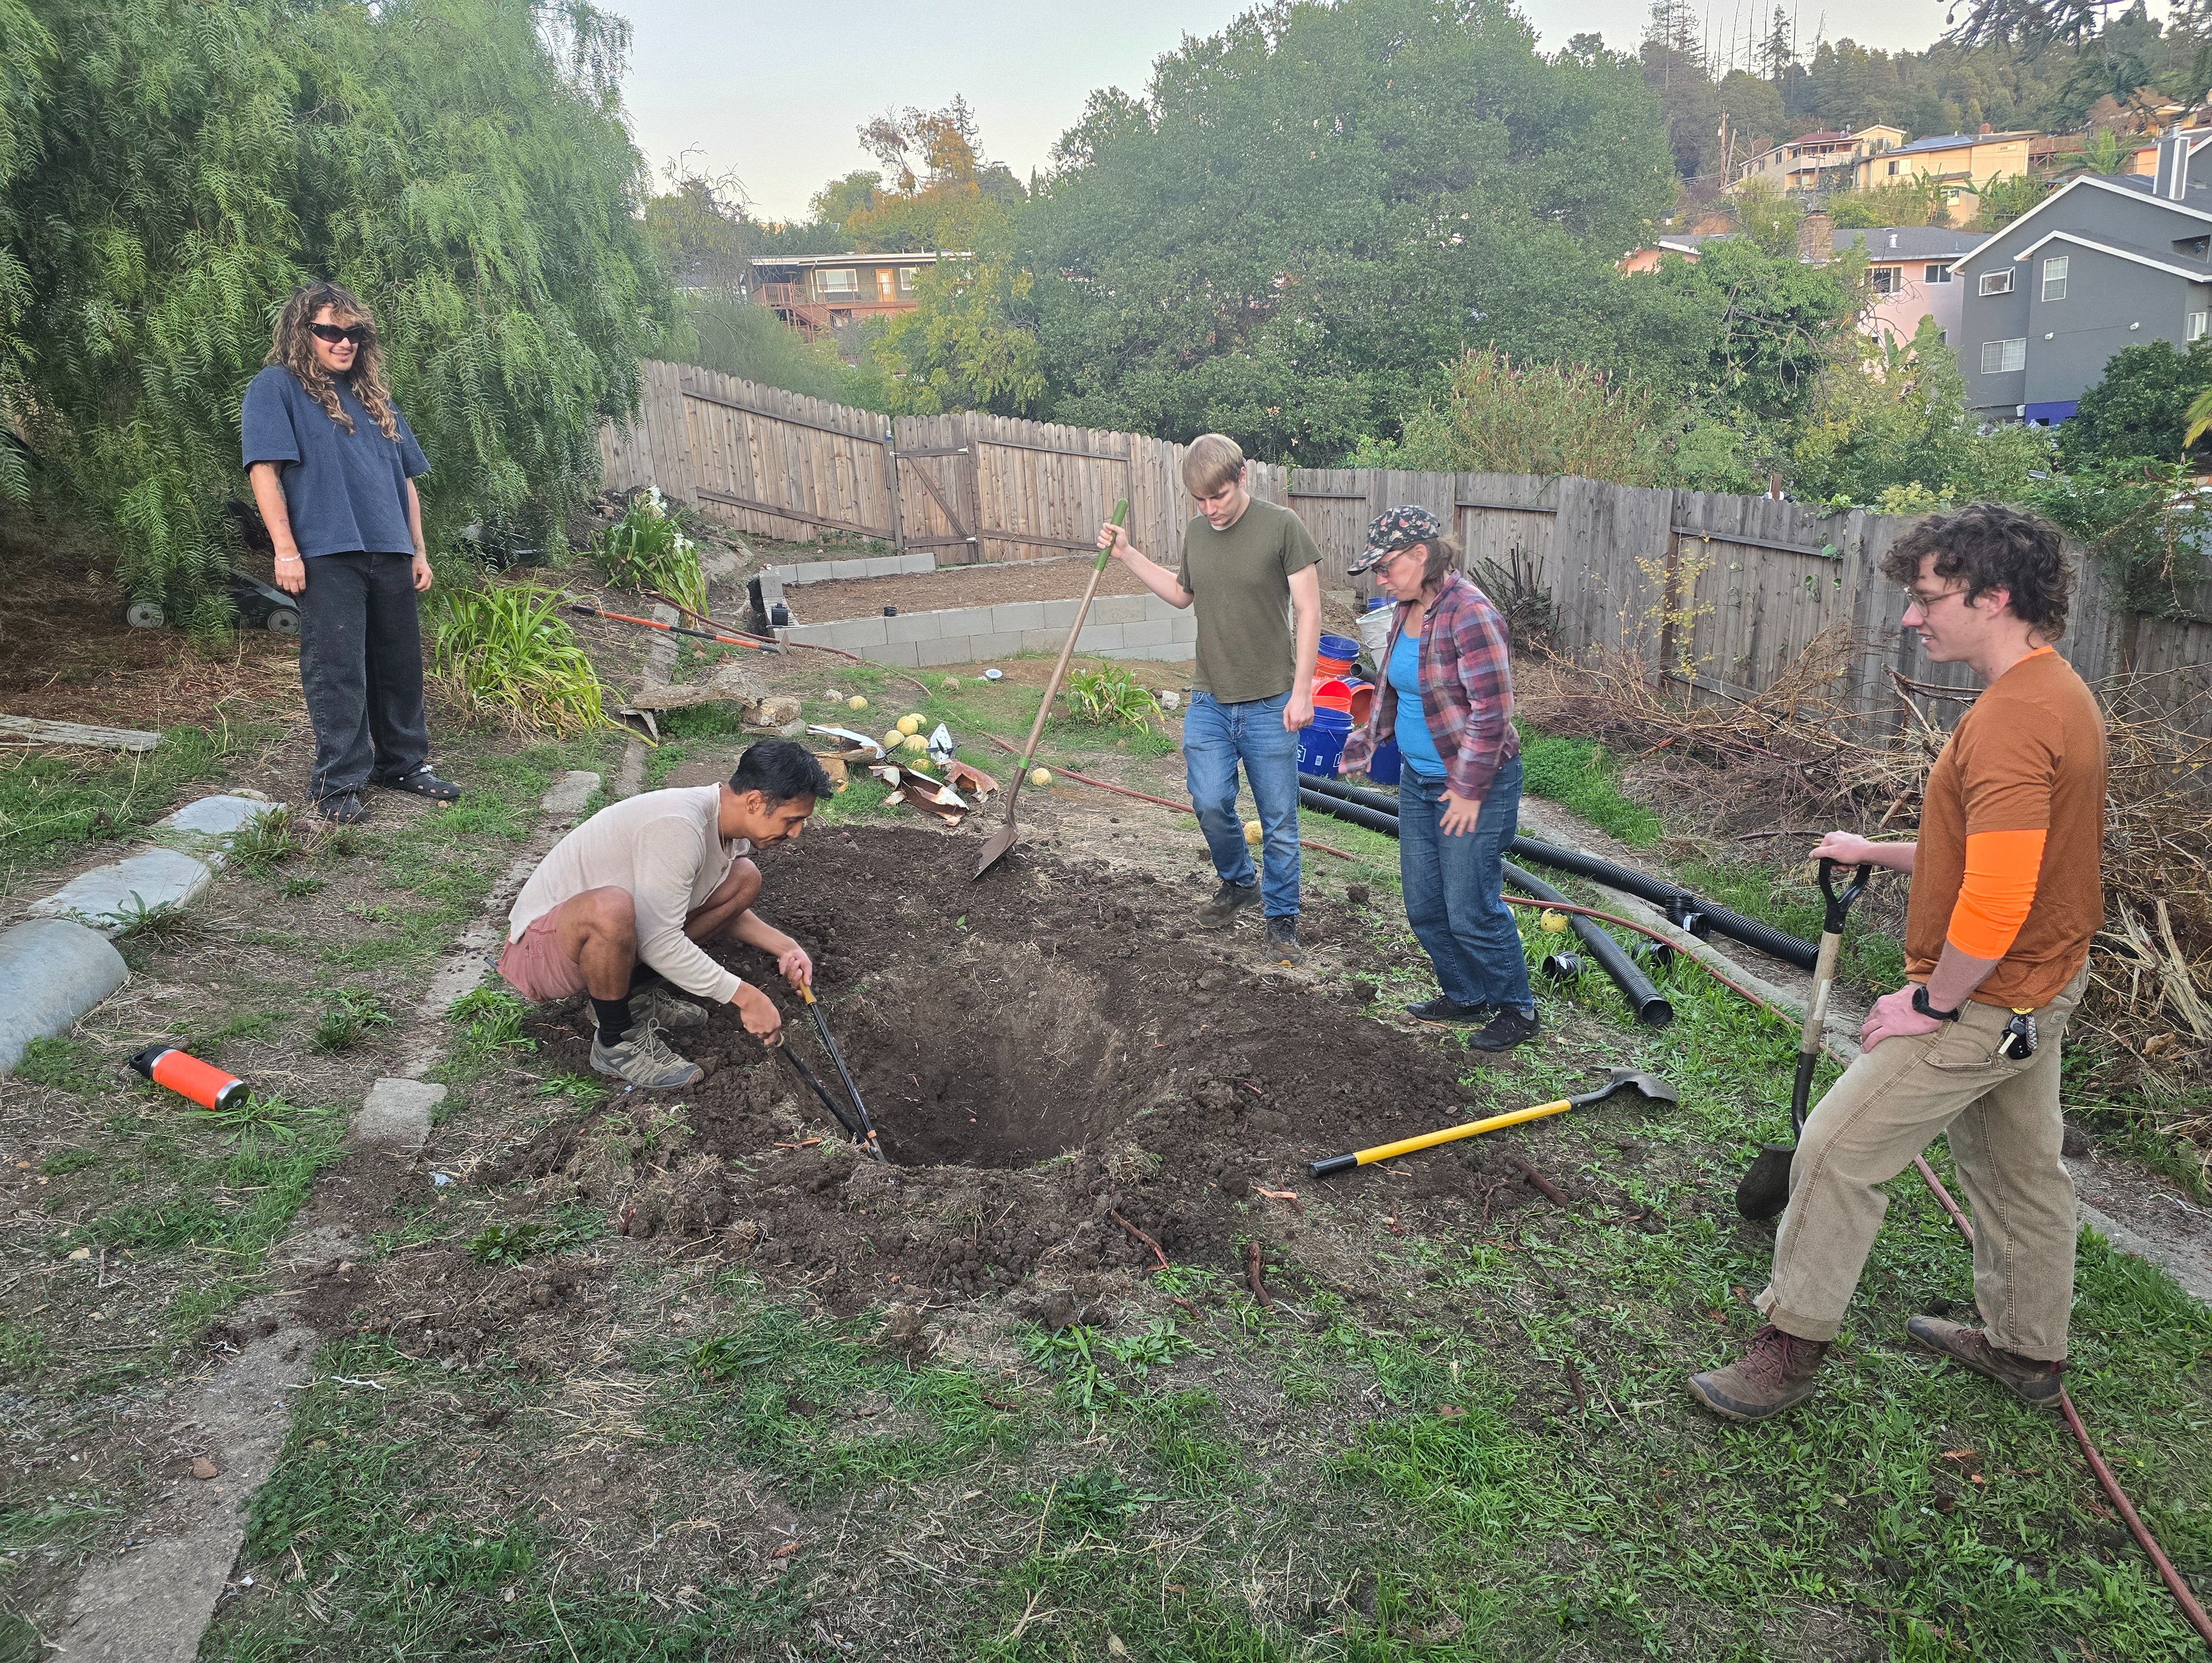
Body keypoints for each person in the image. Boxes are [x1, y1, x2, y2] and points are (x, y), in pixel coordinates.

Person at [1688, 504, 2106, 1423]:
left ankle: (1788, 1349)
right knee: (2020, 1172)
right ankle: (2027, 1349)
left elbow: (1994, 902)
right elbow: (1998, 851)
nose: (1913, 617)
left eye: (1929, 597)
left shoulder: (2012, 721)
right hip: (2042, 987)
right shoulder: (2054, 693)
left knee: (1837, 1153)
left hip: (1989, 1000)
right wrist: (1879, 853)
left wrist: (1933, 1000)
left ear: (1992, 597)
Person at [1097, 434, 1322, 963]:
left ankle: (1282, 921)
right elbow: (1182, 595)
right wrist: (1127, 554)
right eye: (1199, 500)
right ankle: (1239, 881)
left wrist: (1303, 691)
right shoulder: (1198, 532)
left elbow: (1309, 612)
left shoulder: (1282, 526)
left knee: (1280, 822)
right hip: (1210, 700)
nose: (1210, 509)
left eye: (1218, 496)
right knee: (1209, 801)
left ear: (1242, 477)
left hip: (1271, 701)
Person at [243, 282, 459, 824]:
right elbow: (264, 471)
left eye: (353, 333)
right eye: (330, 332)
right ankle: (337, 783)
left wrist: (418, 551)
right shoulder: (278, 387)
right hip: (325, 550)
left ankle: (403, 765)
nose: (344, 343)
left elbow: (406, 481)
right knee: (337, 667)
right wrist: (285, 550)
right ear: (304, 332)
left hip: (388, 548)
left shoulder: (376, 399)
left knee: (399, 665)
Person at [498, 741, 833, 1090]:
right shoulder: (678, 825)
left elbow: (696, 910)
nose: (796, 833)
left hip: (597, 934)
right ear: (754, 802)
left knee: (743, 879)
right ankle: (615, 1042)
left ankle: (635, 999)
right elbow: (660, 940)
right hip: (539, 949)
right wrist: (747, 997)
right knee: (611, 909)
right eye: (791, 820)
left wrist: (785, 946)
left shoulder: (721, 827)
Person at [1340, 508, 1536, 1054]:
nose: (1380, 579)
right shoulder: (1404, 609)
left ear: (1419, 556)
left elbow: (1491, 714)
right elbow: (1396, 686)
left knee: (1470, 908)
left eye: (1385, 567)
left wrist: (1469, 790)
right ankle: (1466, 993)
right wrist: (1366, 740)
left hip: (1475, 784)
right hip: (1419, 779)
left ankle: (1517, 1007)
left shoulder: (1470, 615)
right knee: (1425, 905)